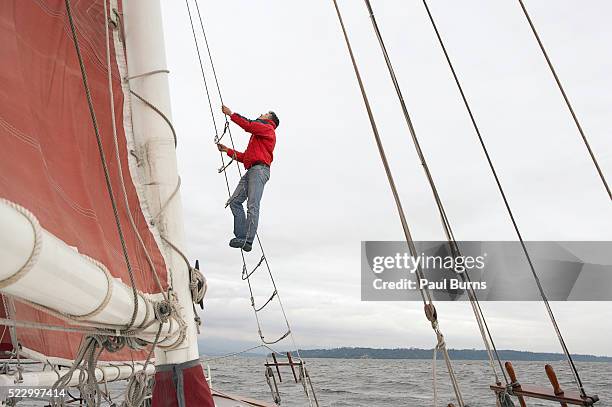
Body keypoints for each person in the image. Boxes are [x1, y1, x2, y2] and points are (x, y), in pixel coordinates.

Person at [217, 105, 279, 252]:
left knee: (252, 205)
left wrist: (231, 114)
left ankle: (248, 240)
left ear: (269, 119)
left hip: (259, 171)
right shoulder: (260, 135)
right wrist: (227, 150)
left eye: (264, 113)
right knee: (234, 202)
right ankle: (241, 237)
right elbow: (246, 157)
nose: (261, 113)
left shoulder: (267, 128)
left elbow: (249, 125)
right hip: (252, 170)